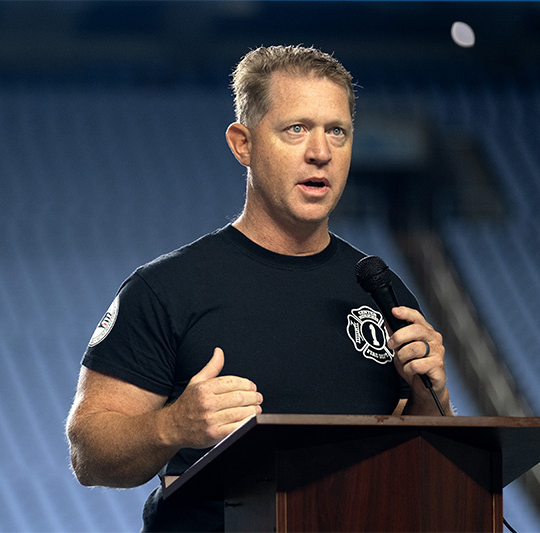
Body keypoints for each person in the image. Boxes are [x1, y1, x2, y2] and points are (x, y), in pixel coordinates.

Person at [66, 44, 453, 532]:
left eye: (337, 131)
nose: (320, 152)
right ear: (242, 143)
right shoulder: (166, 288)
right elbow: (89, 453)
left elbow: (416, 459)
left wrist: (427, 396)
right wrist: (172, 426)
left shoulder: (379, 288)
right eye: (296, 129)